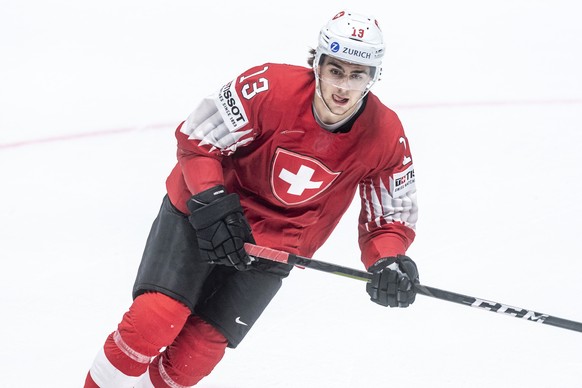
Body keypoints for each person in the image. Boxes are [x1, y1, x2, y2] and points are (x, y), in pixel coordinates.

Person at [85, 9, 419, 388]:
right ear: (317, 64)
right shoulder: (267, 87)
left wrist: (389, 259)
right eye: (335, 70)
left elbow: (388, 218)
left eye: (357, 75)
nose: (343, 87)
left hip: (276, 246)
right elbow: (197, 141)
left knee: (196, 355)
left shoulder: (386, 135)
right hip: (203, 216)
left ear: (374, 77)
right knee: (155, 319)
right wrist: (212, 202)